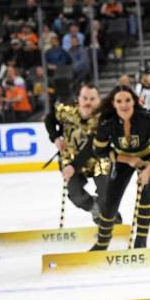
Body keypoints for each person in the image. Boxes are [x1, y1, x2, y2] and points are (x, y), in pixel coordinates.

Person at [84, 85, 150, 250]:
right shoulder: (107, 123)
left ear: (134, 101)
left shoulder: (147, 120)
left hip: (149, 159)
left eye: (127, 100)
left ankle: (140, 242)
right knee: (111, 199)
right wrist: (128, 159)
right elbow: (99, 150)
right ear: (113, 103)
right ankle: (102, 242)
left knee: (145, 195)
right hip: (122, 159)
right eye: (119, 101)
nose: (124, 104)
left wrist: (148, 170)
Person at [44, 83, 116, 224]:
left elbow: (91, 147)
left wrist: (73, 166)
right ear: (79, 98)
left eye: (92, 99)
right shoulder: (66, 110)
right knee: (76, 195)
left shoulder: (105, 118)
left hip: (98, 160)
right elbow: (49, 119)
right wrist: (55, 137)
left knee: (106, 194)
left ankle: (109, 216)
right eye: (85, 98)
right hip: (69, 159)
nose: (88, 102)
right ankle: (96, 208)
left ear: (99, 100)